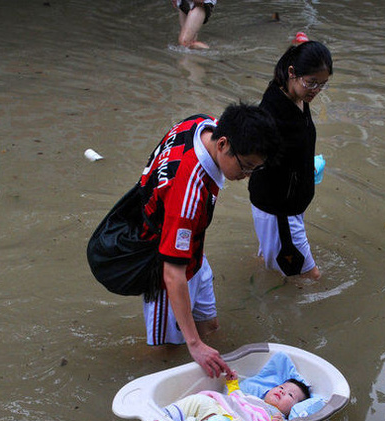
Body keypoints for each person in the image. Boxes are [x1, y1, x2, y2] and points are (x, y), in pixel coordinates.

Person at [88, 103, 279, 378]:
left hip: (189, 250)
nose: (246, 176)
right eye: (246, 167)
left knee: (210, 326)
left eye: (254, 169)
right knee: (166, 351)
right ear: (223, 144)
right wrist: (194, 344)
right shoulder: (189, 192)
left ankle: (200, 353)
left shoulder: (199, 124)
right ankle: (139, 378)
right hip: (164, 266)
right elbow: (172, 272)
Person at [248, 36, 333, 280]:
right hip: (279, 209)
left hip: (290, 205)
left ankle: (259, 277)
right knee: (310, 277)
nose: (316, 90)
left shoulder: (297, 95)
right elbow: (254, 157)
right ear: (292, 72)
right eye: (312, 83)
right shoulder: (273, 112)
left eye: (322, 84)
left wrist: (305, 167)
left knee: (272, 264)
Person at [164, 375, 311, 421]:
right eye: (281, 387)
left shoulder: (278, 418)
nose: (282, 391)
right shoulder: (252, 399)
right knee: (200, 400)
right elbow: (236, 397)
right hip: (221, 411)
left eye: (290, 395)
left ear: (293, 408)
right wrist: (232, 382)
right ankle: (168, 416)